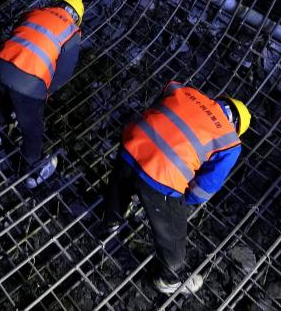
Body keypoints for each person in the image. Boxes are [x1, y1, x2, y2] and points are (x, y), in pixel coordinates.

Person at [103, 81, 250, 295]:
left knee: (119, 187)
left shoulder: (184, 91)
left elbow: (157, 109)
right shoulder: (230, 141)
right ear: (237, 127)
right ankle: (169, 279)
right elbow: (205, 189)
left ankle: (111, 223)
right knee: (172, 232)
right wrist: (179, 200)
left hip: (131, 144)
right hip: (162, 176)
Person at [0, 0, 84, 188]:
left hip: (0, 65)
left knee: (5, 97)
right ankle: (33, 170)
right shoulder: (72, 32)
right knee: (32, 127)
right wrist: (45, 92)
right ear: (76, 18)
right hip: (29, 83)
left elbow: (17, 34)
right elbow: (64, 72)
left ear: (58, 3)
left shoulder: (35, 11)